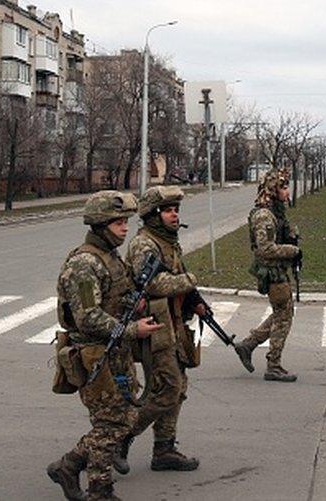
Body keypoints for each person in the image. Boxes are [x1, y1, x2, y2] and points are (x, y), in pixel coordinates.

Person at [47, 191, 163, 501]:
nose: (125, 228)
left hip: (116, 352)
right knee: (109, 424)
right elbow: (88, 317)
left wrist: (133, 306)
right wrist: (130, 328)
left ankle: (69, 466)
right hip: (95, 355)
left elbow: (114, 299)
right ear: (100, 225)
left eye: (126, 221)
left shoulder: (110, 257)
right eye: (118, 222)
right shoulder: (85, 263)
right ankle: (100, 491)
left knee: (122, 420)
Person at [114, 186, 206, 475]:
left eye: (176, 209)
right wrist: (189, 280)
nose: (175, 214)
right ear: (154, 215)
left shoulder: (168, 242)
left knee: (178, 388)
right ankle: (121, 438)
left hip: (174, 324)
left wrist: (196, 299)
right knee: (168, 389)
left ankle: (164, 448)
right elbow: (152, 284)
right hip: (154, 327)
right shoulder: (145, 244)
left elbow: (175, 277)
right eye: (168, 210)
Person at [234, 169, 301, 382]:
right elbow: (265, 249)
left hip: (278, 271)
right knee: (283, 317)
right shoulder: (264, 215)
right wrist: (292, 251)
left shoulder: (276, 211)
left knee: (283, 313)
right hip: (272, 273)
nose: (287, 191)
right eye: (283, 187)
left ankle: (248, 344)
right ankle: (273, 365)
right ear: (272, 190)